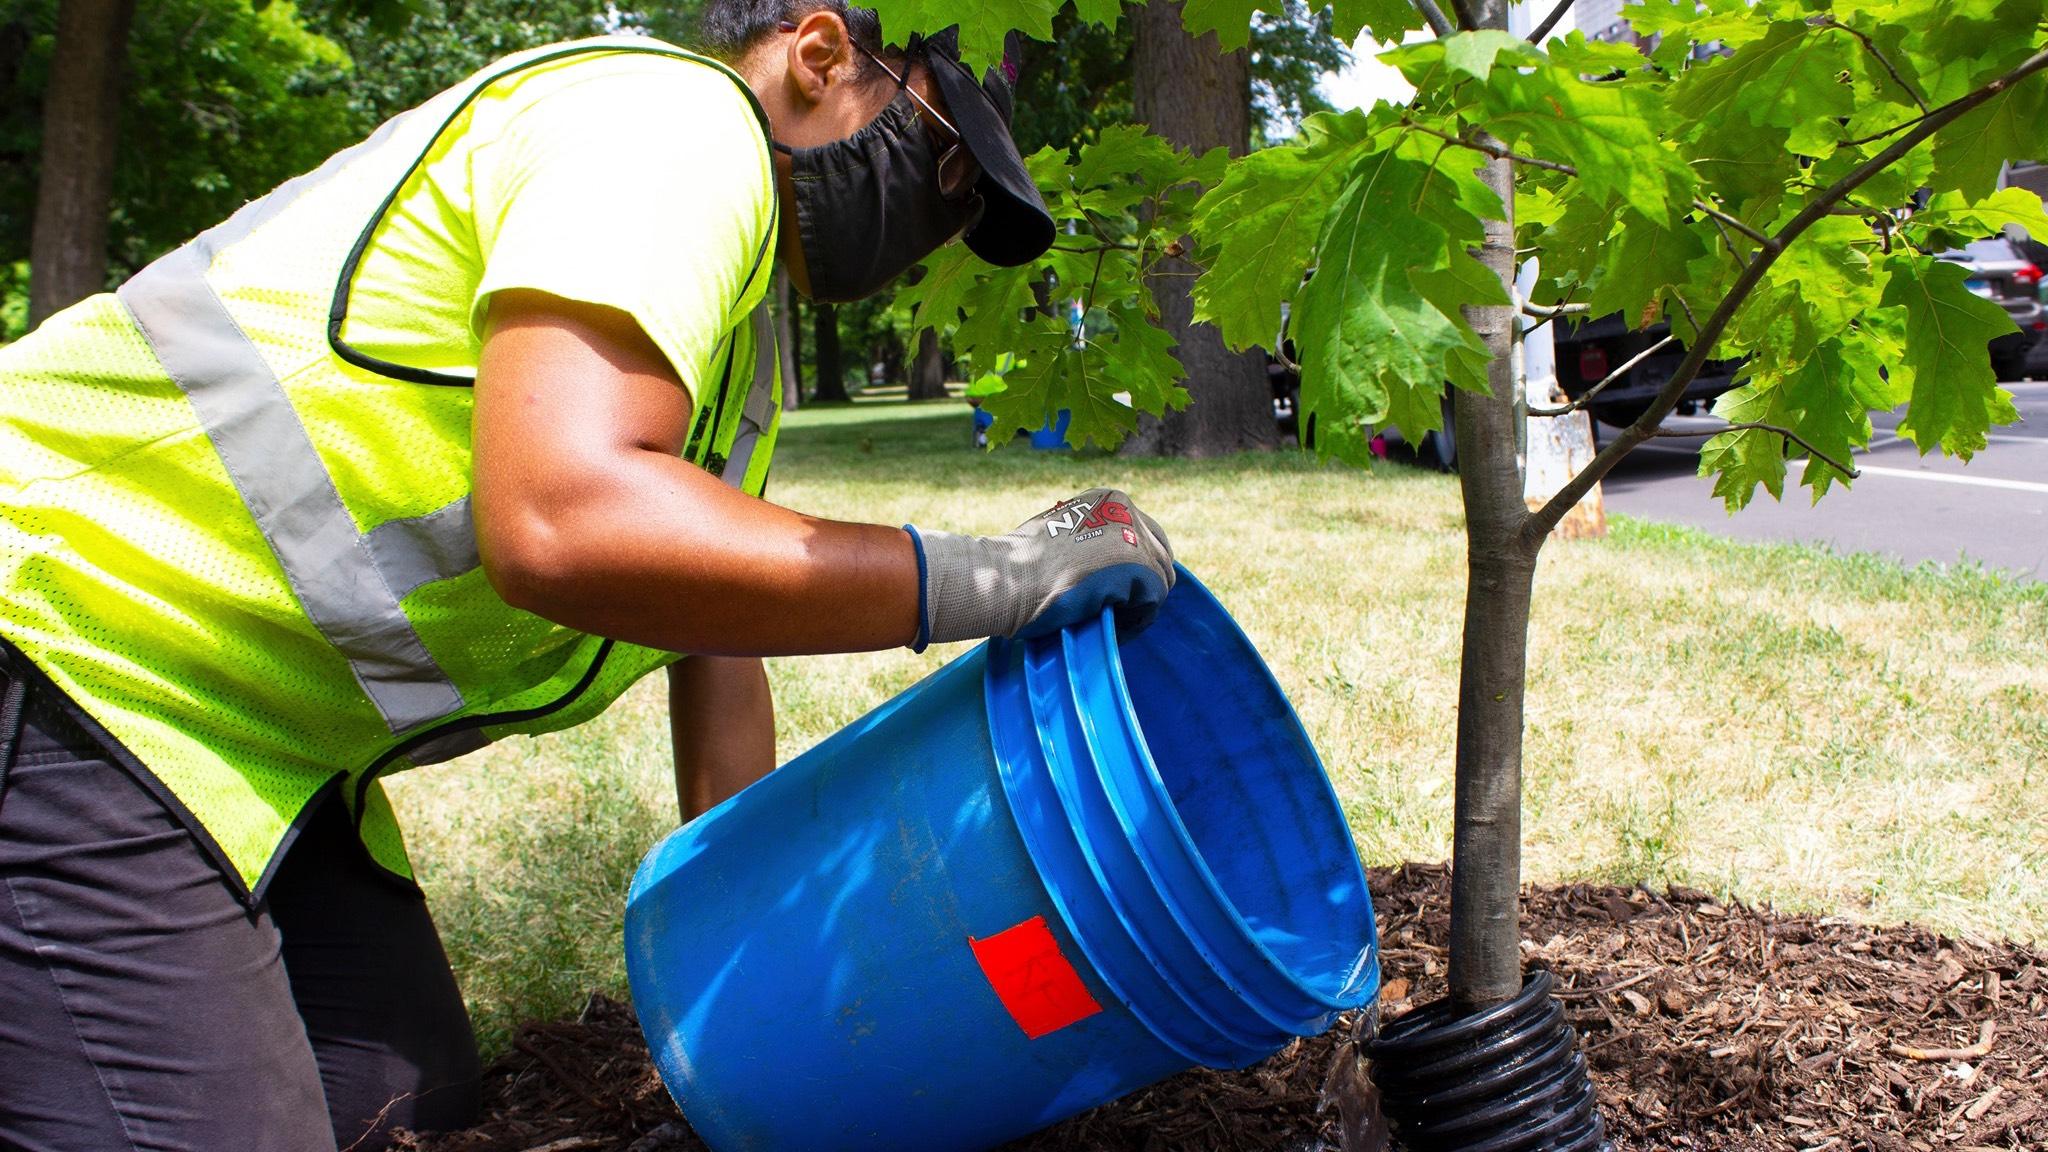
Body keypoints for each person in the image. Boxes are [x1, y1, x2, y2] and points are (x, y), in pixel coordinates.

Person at [0, 3, 1176, 1148]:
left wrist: (747, 940)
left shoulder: (733, 321)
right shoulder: (671, 128)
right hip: (68, 645)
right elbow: (567, 521)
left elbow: (711, 615)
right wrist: (1003, 579)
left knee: (402, 1111)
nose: (940, 212)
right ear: (820, 54)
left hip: (262, 742)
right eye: (945, 162)